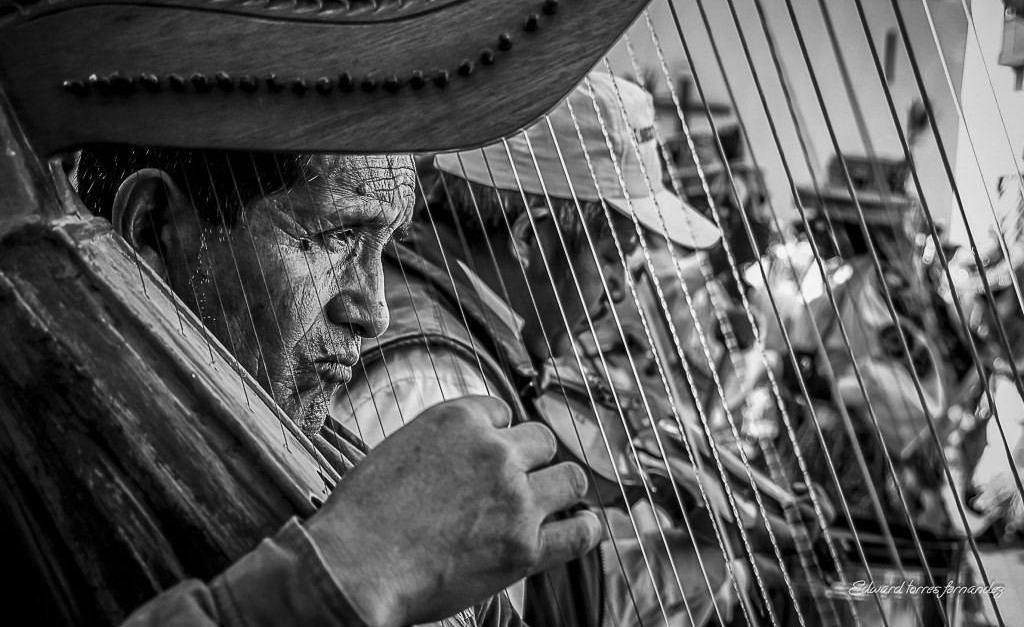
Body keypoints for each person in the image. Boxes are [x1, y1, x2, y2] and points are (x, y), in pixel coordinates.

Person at [72, 149, 602, 626]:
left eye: (384, 245)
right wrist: (363, 564)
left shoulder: (319, 440)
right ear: (153, 228)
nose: (375, 311)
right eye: (337, 235)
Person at [334, 73, 737, 627]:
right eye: (614, 254)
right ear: (532, 238)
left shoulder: (452, 320)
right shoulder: (434, 387)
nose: (621, 288)